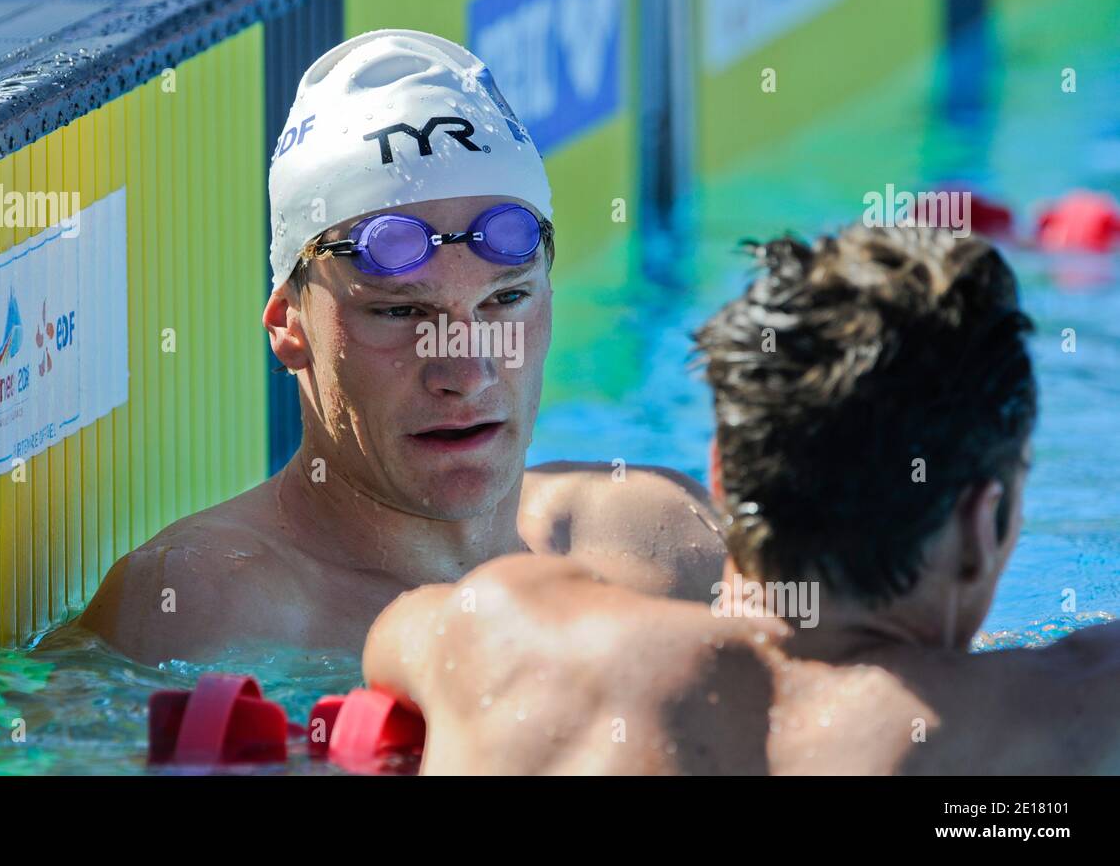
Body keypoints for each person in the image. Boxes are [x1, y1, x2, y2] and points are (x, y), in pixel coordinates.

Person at [363, 224, 1120, 774]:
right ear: (986, 520)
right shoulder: (1062, 719)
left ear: (722, 474)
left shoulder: (499, 630)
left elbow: (393, 639)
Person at [77, 30, 724, 662]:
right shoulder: (202, 611)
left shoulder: (663, 545)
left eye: (504, 300)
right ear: (289, 326)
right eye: (401, 311)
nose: (466, 373)